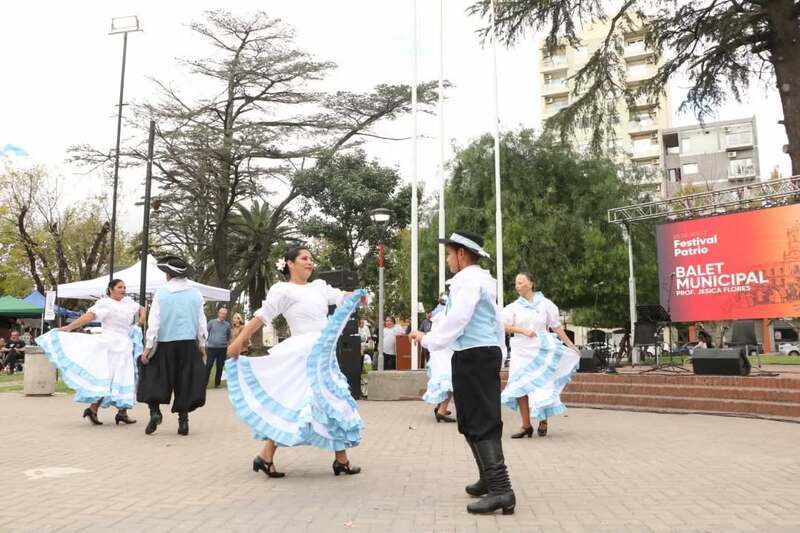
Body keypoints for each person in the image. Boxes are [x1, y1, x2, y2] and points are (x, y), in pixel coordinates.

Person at [225, 246, 365, 478]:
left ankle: (270, 456)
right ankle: (335, 460)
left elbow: (340, 296)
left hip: (323, 354)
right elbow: (262, 316)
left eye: (311, 258)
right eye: (304, 258)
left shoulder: (319, 287)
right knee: (311, 403)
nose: (310, 262)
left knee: (329, 402)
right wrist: (240, 340)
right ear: (290, 263)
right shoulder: (284, 290)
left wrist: (356, 295)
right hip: (303, 355)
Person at [410, 230, 515, 516]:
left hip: (476, 355)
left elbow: (459, 318)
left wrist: (431, 340)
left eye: (449, 253)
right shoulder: (473, 280)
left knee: (481, 420)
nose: (447, 259)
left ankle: (501, 489)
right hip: (473, 354)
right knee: (469, 419)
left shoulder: (468, 280)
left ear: (461, 254)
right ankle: (488, 478)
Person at [35, 279, 145, 425]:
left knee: (123, 377)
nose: (123, 290)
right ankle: (100, 410)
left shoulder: (128, 302)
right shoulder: (105, 303)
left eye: (124, 287)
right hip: (109, 344)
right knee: (108, 376)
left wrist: (140, 322)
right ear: (111, 289)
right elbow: (90, 316)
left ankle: (116, 412)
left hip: (124, 344)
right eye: (120, 287)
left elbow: (142, 308)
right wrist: (70, 327)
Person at [500, 273, 580, 439]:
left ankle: (543, 420)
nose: (517, 286)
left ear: (531, 283)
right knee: (519, 386)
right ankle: (526, 425)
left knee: (541, 384)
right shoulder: (513, 307)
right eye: (516, 283)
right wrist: (522, 330)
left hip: (540, 349)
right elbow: (503, 325)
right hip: (521, 350)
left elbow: (556, 327)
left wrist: (571, 345)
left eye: (521, 282)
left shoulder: (545, 304)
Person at [138, 256, 208, 436]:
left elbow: (154, 324)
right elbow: (202, 322)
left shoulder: (161, 293)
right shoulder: (196, 293)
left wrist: (147, 349)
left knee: (153, 375)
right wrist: (202, 344)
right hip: (188, 345)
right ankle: (183, 422)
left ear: (169, 275)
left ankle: (154, 412)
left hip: (165, 344)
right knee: (184, 381)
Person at [422, 298, 455, 424]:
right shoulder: (446, 316)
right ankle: (441, 410)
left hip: (437, 352)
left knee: (443, 381)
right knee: (450, 383)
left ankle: (439, 407)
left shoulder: (436, 317)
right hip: (446, 351)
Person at [205, 307, 231, 388]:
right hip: (211, 348)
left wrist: (227, 346)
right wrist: (205, 342)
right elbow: (206, 333)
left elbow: (228, 336)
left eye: (225, 314)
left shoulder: (227, 325)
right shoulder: (211, 322)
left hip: (222, 349)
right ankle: (204, 384)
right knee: (209, 365)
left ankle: (217, 384)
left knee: (220, 366)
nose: (223, 315)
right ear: (218, 313)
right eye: (222, 313)